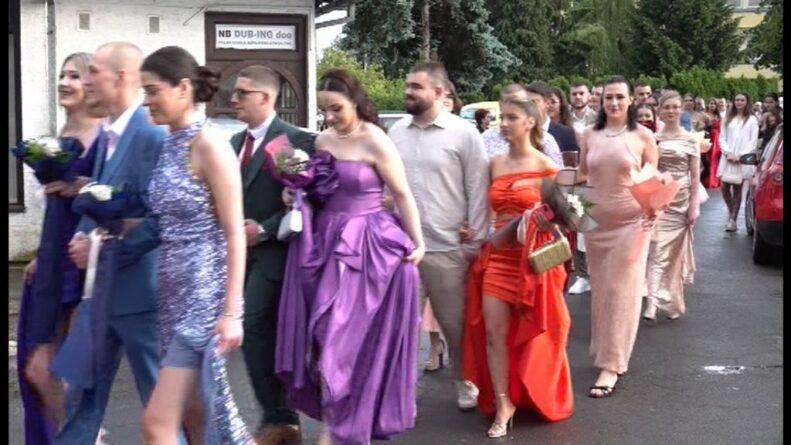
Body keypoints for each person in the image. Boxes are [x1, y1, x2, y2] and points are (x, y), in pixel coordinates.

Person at [275, 68, 425, 445]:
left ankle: (338, 429)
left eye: (336, 108)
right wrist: (295, 193)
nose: (329, 117)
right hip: (325, 242)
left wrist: (418, 242)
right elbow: (320, 191)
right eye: (323, 110)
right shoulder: (323, 141)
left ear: (355, 102)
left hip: (369, 246)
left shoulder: (376, 140)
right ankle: (336, 419)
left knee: (345, 337)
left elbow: (402, 194)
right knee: (324, 333)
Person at [136, 45, 251, 444]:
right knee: (202, 417)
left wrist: (232, 312)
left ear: (183, 88)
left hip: (202, 302)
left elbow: (234, 232)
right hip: (172, 297)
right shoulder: (169, 143)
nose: (146, 101)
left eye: (153, 91)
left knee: (157, 424)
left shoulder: (210, 145)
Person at [56, 42, 166, 445]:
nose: (87, 80)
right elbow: (104, 197)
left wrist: (100, 249)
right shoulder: (108, 133)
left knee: (159, 407)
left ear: (120, 77)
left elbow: (161, 218)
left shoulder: (151, 134)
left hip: (140, 295)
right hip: (100, 294)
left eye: (94, 72)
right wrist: (81, 233)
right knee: (80, 396)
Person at [463, 97, 573, 438]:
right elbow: (482, 209)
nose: (504, 123)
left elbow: (569, 217)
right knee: (493, 334)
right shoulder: (494, 164)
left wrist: (543, 218)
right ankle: (503, 403)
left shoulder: (546, 166)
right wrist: (471, 232)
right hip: (497, 258)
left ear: (530, 122)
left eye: (512, 117)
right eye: (502, 117)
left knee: (543, 331)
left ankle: (533, 390)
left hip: (533, 262)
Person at [389, 61, 489, 411]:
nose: (408, 92)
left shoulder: (463, 133)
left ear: (439, 92)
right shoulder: (396, 132)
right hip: (404, 250)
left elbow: (478, 188)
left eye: (416, 87)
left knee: (455, 324)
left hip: (448, 249)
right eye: (407, 85)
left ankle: (465, 380)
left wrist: (473, 243)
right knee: (402, 328)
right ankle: (403, 392)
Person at [17, 52, 104, 445]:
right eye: (62, 75)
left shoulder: (105, 136)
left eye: (74, 76)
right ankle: (77, 435)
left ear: (91, 85)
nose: (64, 82)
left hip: (83, 258)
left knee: (63, 366)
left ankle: (84, 435)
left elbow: (114, 197)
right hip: (53, 257)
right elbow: (54, 205)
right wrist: (40, 253)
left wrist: (83, 187)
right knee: (36, 367)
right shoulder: (62, 132)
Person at [228, 64, 314, 445]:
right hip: (238, 259)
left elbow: (304, 200)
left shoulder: (289, 142)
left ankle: (280, 417)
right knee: (256, 336)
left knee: (254, 328)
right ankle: (280, 418)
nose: (233, 99)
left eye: (242, 93)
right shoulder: (234, 143)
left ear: (265, 98)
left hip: (275, 256)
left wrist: (263, 229)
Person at [578, 75, 658, 398]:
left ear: (630, 100)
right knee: (601, 290)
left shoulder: (643, 135)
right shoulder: (589, 134)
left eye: (619, 97)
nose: (613, 102)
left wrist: (650, 195)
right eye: (608, 97)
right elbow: (582, 174)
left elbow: (653, 171)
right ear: (601, 101)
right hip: (596, 224)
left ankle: (612, 363)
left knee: (621, 291)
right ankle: (604, 350)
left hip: (630, 223)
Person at [644, 90, 701, 321]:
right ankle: (652, 303)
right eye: (667, 107)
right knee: (656, 251)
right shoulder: (653, 138)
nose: (671, 111)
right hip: (660, 200)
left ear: (681, 109)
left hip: (682, 201)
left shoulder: (690, 139)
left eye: (675, 107)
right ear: (660, 111)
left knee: (674, 256)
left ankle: (671, 301)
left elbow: (695, 176)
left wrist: (694, 206)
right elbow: (647, 170)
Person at [483, 84, 563, 168]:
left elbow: (558, 172)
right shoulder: (487, 138)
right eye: (510, 102)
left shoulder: (545, 140)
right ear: (500, 104)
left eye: (521, 103)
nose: (514, 107)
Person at [717, 93, 759, 232]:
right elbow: (722, 137)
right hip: (727, 156)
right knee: (724, 186)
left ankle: (733, 220)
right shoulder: (727, 118)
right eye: (737, 100)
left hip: (742, 159)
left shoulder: (752, 119)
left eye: (742, 100)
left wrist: (740, 155)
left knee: (737, 188)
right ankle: (731, 212)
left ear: (747, 102)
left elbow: (753, 141)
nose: (739, 102)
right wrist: (728, 153)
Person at [526, 81, 577, 153]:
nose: (529, 106)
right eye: (527, 102)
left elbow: (570, 159)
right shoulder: (523, 131)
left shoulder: (565, 133)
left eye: (534, 102)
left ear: (547, 103)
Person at [702, 98, 723, 189]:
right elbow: (700, 127)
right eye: (711, 103)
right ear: (708, 105)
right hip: (707, 138)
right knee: (707, 159)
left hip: (717, 140)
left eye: (714, 104)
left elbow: (722, 129)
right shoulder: (704, 115)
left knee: (715, 159)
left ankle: (714, 180)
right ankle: (706, 180)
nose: (712, 105)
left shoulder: (719, 117)